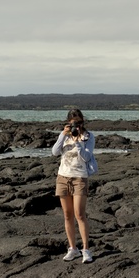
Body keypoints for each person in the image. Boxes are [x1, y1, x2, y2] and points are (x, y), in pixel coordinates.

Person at [51, 109, 95, 263]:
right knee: (68, 215)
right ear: (69, 123)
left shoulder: (88, 137)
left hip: (79, 178)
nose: (76, 126)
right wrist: (63, 135)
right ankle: (72, 249)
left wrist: (77, 142)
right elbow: (55, 152)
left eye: (79, 122)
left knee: (80, 214)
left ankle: (86, 249)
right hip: (63, 177)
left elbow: (87, 157)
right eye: (73, 123)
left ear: (82, 121)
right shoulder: (65, 135)